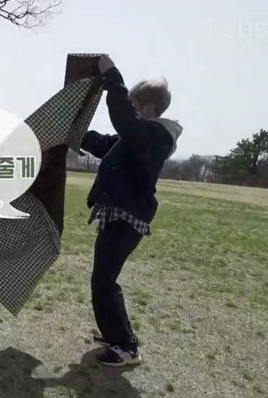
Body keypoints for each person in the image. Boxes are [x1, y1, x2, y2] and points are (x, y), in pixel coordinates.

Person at [80, 55, 183, 367]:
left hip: (127, 218)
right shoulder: (139, 135)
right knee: (105, 278)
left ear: (149, 107)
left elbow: (124, 120)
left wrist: (112, 77)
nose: (133, 110)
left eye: (136, 105)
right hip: (118, 215)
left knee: (104, 280)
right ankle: (117, 334)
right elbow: (105, 144)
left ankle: (125, 347)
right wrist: (75, 134)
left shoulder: (154, 136)